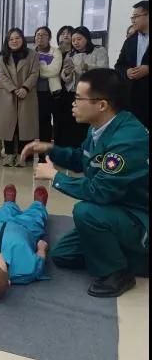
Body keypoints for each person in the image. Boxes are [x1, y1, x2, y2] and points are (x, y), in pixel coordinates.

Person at [22, 69, 149, 298]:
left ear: (102, 105)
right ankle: (122, 254)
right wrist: (50, 149)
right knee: (63, 255)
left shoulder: (128, 139)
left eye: (79, 98)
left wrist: (55, 177)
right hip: (117, 207)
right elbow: (84, 158)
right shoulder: (101, 127)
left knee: (86, 212)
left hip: (138, 215)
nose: (73, 103)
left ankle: (117, 273)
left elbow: (99, 191)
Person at [0, 28, 40, 167]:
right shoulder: (2, 57)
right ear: (7, 41)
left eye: (17, 38)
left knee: (24, 126)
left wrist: (25, 88)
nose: (14, 41)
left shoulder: (32, 55)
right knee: (8, 126)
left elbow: (35, 73)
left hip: (27, 94)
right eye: (11, 39)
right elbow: (1, 76)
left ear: (22, 39)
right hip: (8, 95)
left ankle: (22, 155)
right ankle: (9, 155)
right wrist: (14, 89)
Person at [60, 26, 108, 146]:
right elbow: (66, 78)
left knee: (89, 125)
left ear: (87, 38)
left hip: (92, 95)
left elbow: (104, 71)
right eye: (73, 40)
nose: (76, 42)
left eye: (79, 39)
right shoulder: (70, 54)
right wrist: (67, 73)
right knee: (73, 125)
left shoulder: (99, 50)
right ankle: (75, 150)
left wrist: (86, 67)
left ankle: (90, 150)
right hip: (74, 93)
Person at [115, 0, 149, 127]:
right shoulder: (130, 41)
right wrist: (127, 72)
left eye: (136, 16)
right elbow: (119, 65)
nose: (133, 20)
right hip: (132, 97)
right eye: (132, 17)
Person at [34, 26, 63, 149]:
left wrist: (37, 70)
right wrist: (45, 67)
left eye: (44, 35)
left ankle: (44, 153)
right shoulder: (30, 53)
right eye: (38, 34)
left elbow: (54, 70)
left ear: (49, 38)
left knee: (47, 123)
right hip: (34, 92)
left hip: (51, 92)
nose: (40, 37)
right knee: (36, 122)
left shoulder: (56, 51)